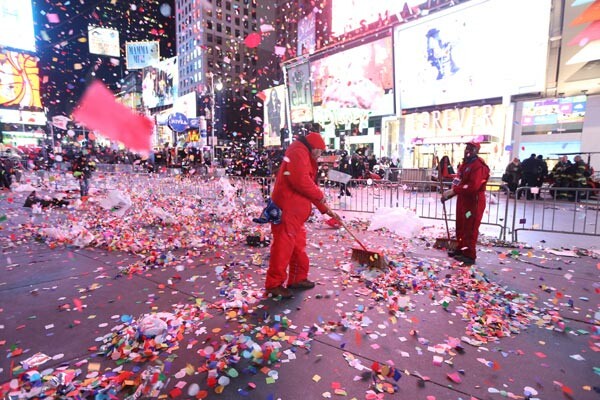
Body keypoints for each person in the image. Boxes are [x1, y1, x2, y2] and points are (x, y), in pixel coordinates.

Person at [265, 132, 339, 299]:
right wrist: (320, 196)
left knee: (298, 246)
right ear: (313, 147)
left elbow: (308, 187)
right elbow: (300, 180)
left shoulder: (304, 154)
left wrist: (325, 209)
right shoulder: (298, 152)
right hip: (287, 210)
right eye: (319, 151)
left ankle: (297, 278)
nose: (319, 155)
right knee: (283, 247)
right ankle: (274, 284)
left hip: (295, 214)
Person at [441, 141, 490, 265]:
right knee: (461, 225)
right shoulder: (464, 164)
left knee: (470, 227)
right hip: (463, 199)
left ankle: (469, 255)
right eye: (467, 147)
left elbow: (473, 186)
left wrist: (455, 190)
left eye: (471, 148)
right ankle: (461, 249)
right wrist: (449, 193)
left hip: (473, 201)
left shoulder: (478, 166)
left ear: (476, 150)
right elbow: (458, 180)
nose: (467, 150)